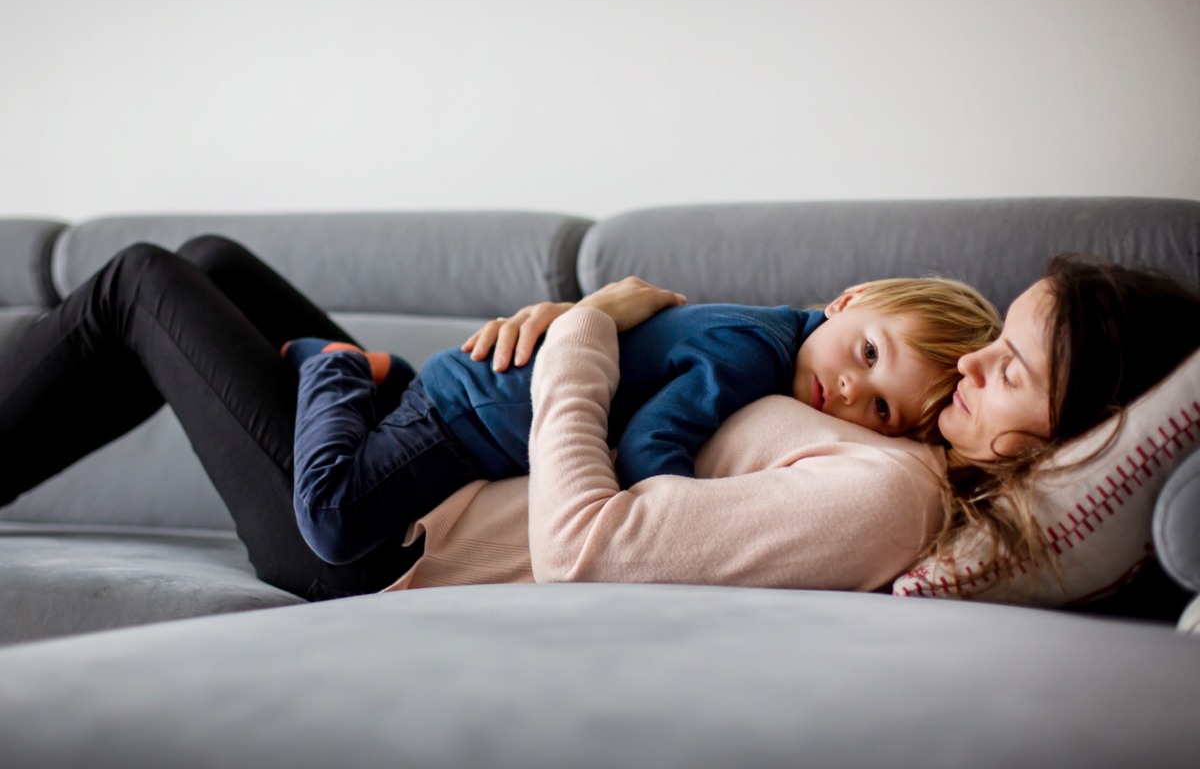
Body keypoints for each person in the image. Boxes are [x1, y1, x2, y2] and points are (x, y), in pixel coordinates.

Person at [0, 236, 1195, 602]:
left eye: (1012, 368)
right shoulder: (897, 432)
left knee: (138, 282)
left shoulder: (891, 488)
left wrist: (585, 326)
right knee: (214, 265)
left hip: (377, 539)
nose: (971, 368)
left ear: (1074, 431)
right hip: (441, 456)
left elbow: (585, 547)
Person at [281, 275, 1000, 564]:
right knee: (332, 519)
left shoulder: (774, 340)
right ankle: (338, 369)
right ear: (849, 298)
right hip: (469, 415)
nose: (847, 391)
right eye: (869, 352)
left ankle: (390, 382)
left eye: (882, 407)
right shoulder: (749, 353)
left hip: (477, 406)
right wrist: (677, 509)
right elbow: (655, 440)